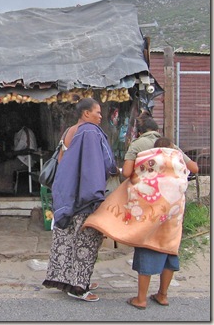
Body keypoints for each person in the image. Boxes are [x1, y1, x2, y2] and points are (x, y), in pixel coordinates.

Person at [84, 111, 199, 310]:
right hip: (174, 209)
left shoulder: (138, 145)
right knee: (169, 247)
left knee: (146, 242)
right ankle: (162, 295)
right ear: (157, 129)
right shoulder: (173, 148)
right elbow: (195, 168)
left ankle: (141, 298)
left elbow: (127, 173)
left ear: (141, 131)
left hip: (150, 206)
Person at [42, 97, 118, 302]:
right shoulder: (90, 132)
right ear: (86, 113)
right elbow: (98, 166)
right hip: (84, 196)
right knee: (86, 242)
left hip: (65, 195)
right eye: (98, 112)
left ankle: (64, 280)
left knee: (65, 240)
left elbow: (63, 161)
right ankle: (79, 287)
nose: (100, 116)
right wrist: (96, 197)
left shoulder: (69, 131)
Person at [0, 114, 37, 194]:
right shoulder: (16, 133)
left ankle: (5, 192)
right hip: (17, 159)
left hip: (25, 161)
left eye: (14, 123)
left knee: (4, 167)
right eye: (11, 123)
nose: (12, 125)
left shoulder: (26, 132)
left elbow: (31, 150)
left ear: (19, 122)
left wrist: (14, 153)